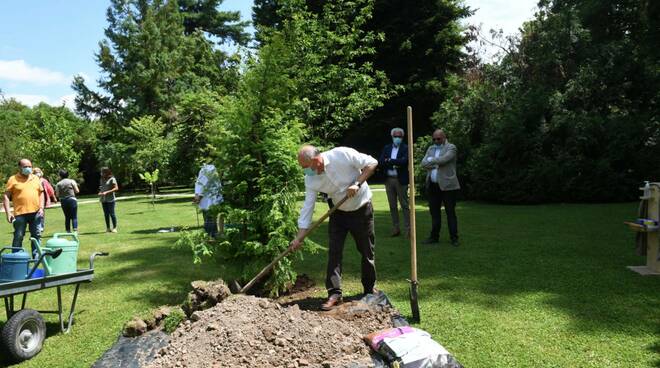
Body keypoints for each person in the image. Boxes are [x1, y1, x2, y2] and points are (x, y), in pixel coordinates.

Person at [289, 145, 378, 311]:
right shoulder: (311, 179)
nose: (304, 170)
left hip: (362, 209)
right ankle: (334, 293)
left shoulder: (342, 154)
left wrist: (357, 184)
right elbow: (307, 208)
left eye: (304, 167)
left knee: (366, 250)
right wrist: (299, 237)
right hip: (337, 213)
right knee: (334, 252)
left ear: (316, 160)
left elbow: (372, 163)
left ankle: (369, 289)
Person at [421, 129, 460, 246]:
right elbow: (423, 163)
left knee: (450, 212)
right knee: (434, 213)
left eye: (438, 138)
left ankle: (454, 238)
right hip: (433, 186)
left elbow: (444, 160)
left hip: (448, 186)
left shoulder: (451, 147)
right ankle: (434, 237)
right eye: (434, 139)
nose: (436, 141)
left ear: (444, 137)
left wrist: (431, 161)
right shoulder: (431, 148)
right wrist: (434, 163)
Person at [3, 159, 44, 254]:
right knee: (19, 236)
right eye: (25, 167)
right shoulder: (13, 179)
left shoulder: (36, 178)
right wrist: (8, 213)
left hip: (36, 213)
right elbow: (6, 196)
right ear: (19, 167)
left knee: (36, 236)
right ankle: (16, 258)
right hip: (20, 214)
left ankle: (37, 259)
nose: (28, 168)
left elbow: (41, 193)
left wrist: (41, 208)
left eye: (30, 166)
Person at [378, 127, 410, 237]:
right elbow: (381, 162)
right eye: (395, 136)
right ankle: (396, 228)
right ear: (392, 137)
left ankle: (408, 228)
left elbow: (404, 161)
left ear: (403, 137)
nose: (397, 138)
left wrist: (390, 160)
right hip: (389, 180)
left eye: (399, 136)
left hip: (401, 180)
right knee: (392, 205)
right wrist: (394, 162)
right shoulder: (387, 148)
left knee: (404, 205)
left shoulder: (406, 148)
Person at [194, 163, 223, 238]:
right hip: (214, 200)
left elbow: (203, 185)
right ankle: (213, 236)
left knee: (209, 220)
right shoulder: (213, 169)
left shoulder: (206, 170)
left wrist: (198, 198)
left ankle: (211, 238)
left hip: (208, 201)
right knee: (212, 219)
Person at [33, 167, 58, 236]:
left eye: (38, 171)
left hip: (42, 199)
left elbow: (50, 189)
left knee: (41, 213)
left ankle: (41, 226)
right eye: (35, 172)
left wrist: (54, 197)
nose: (37, 173)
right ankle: (35, 226)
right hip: (33, 199)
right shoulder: (31, 180)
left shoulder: (44, 181)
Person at [98, 167, 119, 233]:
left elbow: (116, 188)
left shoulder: (112, 179)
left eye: (102, 172)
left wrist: (107, 192)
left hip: (111, 199)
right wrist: (100, 192)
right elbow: (102, 187)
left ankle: (115, 228)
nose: (101, 173)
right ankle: (108, 228)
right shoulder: (101, 179)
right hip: (103, 199)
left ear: (106, 172)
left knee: (112, 214)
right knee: (106, 214)